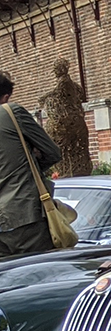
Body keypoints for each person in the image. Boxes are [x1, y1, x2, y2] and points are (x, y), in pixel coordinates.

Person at [0, 71, 64, 256]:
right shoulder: (11, 112)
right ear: (5, 97)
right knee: (38, 270)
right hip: (24, 216)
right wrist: (29, 162)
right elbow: (52, 152)